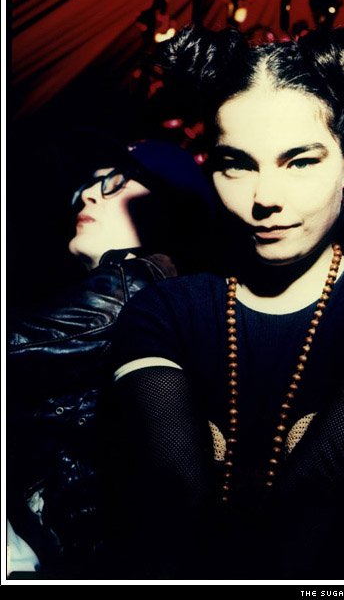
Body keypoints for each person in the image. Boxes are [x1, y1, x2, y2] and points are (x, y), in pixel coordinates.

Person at [108, 24, 344, 579]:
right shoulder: (161, 312)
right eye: (237, 164)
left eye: (301, 161)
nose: (265, 197)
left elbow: (325, 486)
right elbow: (172, 499)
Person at [7, 138, 214, 578]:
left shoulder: (132, 287)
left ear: (165, 208)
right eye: (90, 182)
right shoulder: (153, 292)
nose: (89, 194)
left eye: (115, 181)